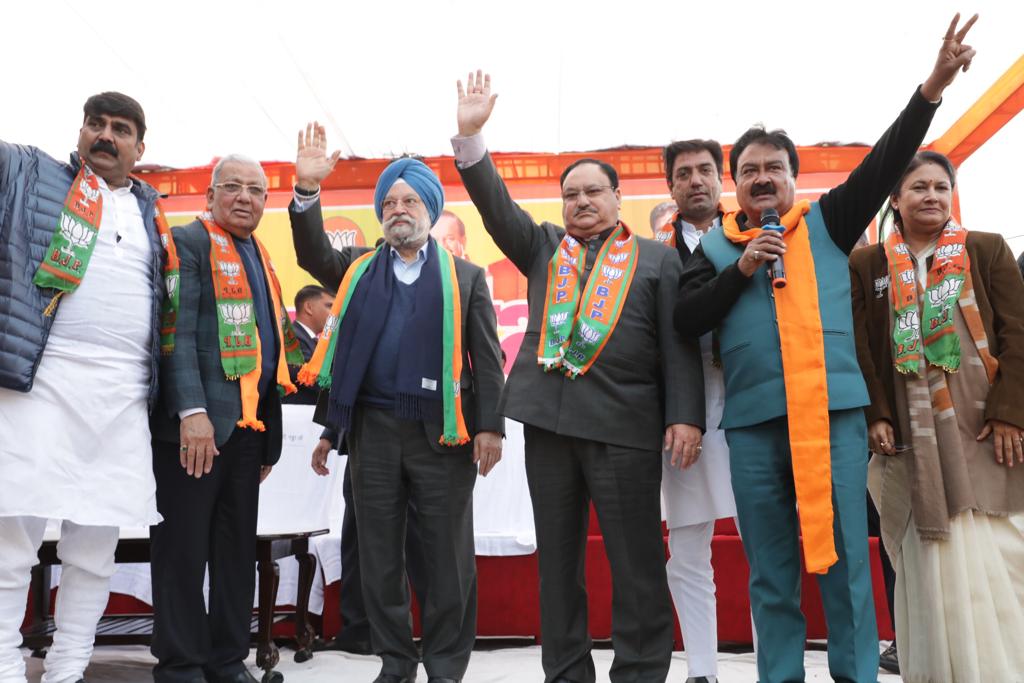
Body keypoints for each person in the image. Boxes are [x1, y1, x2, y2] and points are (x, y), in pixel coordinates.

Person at [674, 14, 978, 683]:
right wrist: (745, 266)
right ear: (735, 183)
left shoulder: (831, 223)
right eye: (749, 170)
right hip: (753, 425)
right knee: (772, 562)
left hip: (835, 418)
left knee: (845, 556)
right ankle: (780, 674)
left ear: (792, 177)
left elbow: (888, 159)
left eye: (774, 169)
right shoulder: (718, 247)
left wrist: (932, 87)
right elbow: (687, 317)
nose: (762, 179)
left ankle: (855, 673)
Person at [453, 71, 705, 683]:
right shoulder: (543, 248)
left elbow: (678, 347)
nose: (582, 202)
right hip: (549, 428)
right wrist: (471, 139)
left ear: (619, 199)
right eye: (571, 194)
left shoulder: (659, 259)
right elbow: (495, 208)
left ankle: (641, 670)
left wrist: (685, 416)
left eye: (594, 191)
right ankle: (565, 672)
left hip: (625, 429)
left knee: (636, 561)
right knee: (557, 562)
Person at [290, 123, 505, 683]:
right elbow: (313, 252)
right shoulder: (360, 269)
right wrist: (307, 193)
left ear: (431, 210)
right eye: (389, 200)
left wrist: (491, 428)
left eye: (410, 200)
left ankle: (445, 666)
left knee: (446, 560)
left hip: (444, 434)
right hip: (374, 432)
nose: (398, 208)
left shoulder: (465, 277)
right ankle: (395, 662)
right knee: (380, 558)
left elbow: (486, 361)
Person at [0, 92, 171, 683]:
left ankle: (70, 667)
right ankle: (3, 664)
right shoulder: (34, 175)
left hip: (123, 394)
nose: (105, 136)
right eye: (95, 125)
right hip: (40, 381)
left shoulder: (153, 209)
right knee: (12, 535)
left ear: (139, 148)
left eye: (120, 129)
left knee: (96, 543)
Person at [850, 150, 1024, 682]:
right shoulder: (868, 264)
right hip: (905, 437)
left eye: (940, 187)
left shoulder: (986, 249)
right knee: (925, 560)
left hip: (984, 432)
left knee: (1002, 547)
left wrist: (1010, 415)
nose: (931, 196)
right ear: (895, 200)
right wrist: (876, 414)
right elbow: (860, 346)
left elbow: (1017, 335)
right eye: (918, 187)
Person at [149, 154, 302, 683]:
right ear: (209, 194)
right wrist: (192, 412)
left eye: (256, 190)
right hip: (195, 432)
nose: (245, 198)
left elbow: (268, 346)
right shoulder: (190, 243)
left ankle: (226, 660)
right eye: (232, 187)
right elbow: (176, 334)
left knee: (235, 553)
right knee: (184, 552)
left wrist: (266, 439)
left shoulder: (259, 253)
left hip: (245, 434)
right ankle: (181, 664)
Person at [657, 138, 737, 683]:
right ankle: (702, 671)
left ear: (721, 178)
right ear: (671, 187)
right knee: (688, 545)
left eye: (705, 170)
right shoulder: (652, 254)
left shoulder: (752, 237)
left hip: (752, 401)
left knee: (767, 540)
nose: (695, 181)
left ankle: (777, 665)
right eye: (683, 173)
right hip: (684, 409)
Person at [284, 284, 334, 405]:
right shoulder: (292, 337)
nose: (334, 313)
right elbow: (312, 377)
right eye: (330, 306)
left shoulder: (311, 340)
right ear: (309, 307)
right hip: (297, 416)